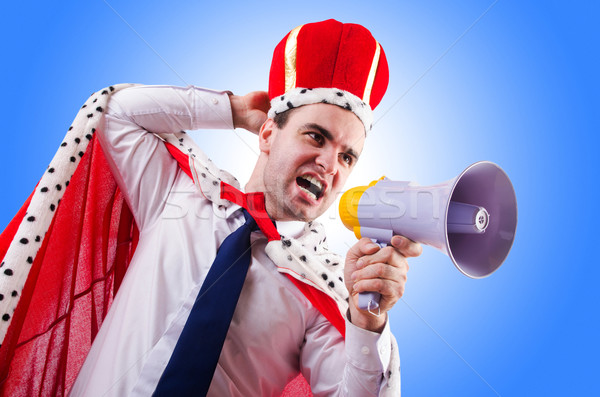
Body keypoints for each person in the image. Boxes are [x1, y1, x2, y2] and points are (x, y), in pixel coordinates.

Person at [0, 19, 420, 396]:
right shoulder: (179, 190)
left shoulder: (326, 288)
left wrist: (368, 322)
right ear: (269, 132)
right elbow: (115, 113)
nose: (330, 164)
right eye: (316, 137)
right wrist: (233, 110)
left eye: (348, 156)